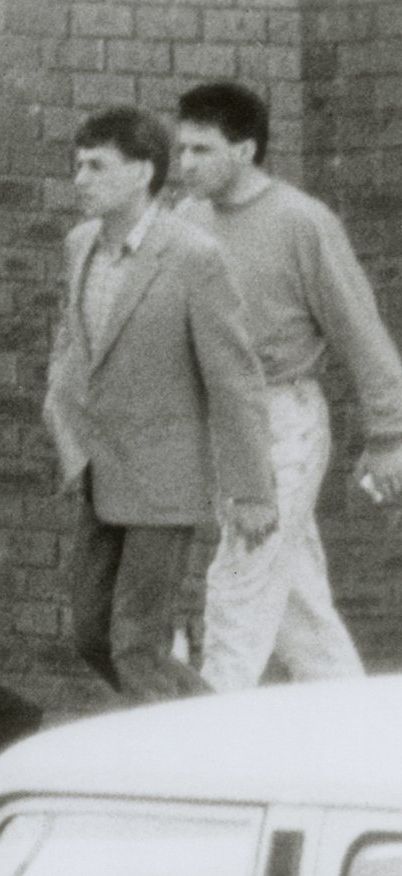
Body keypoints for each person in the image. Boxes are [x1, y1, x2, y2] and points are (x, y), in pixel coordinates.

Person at [44, 105, 277, 704]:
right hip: (100, 475)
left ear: (144, 171)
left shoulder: (193, 256)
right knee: (92, 634)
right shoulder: (80, 245)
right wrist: (68, 438)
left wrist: (252, 490)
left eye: (97, 165)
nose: (81, 178)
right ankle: (209, 728)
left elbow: (235, 380)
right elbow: (73, 348)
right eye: (77, 165)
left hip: (165, 480)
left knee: (135, 645)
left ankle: (206, 754)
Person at [176, 80, 402, 692]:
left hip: (286, 419)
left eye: (201, 150)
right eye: (181, 150)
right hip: (224, 424)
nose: (185, 165)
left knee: (240, 578)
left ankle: (212, 734)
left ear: (246, 150)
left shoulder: (303, 222)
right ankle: (362, 732)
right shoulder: (188, 219)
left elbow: (360, 327)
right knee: (297, 603)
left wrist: (389, 435)